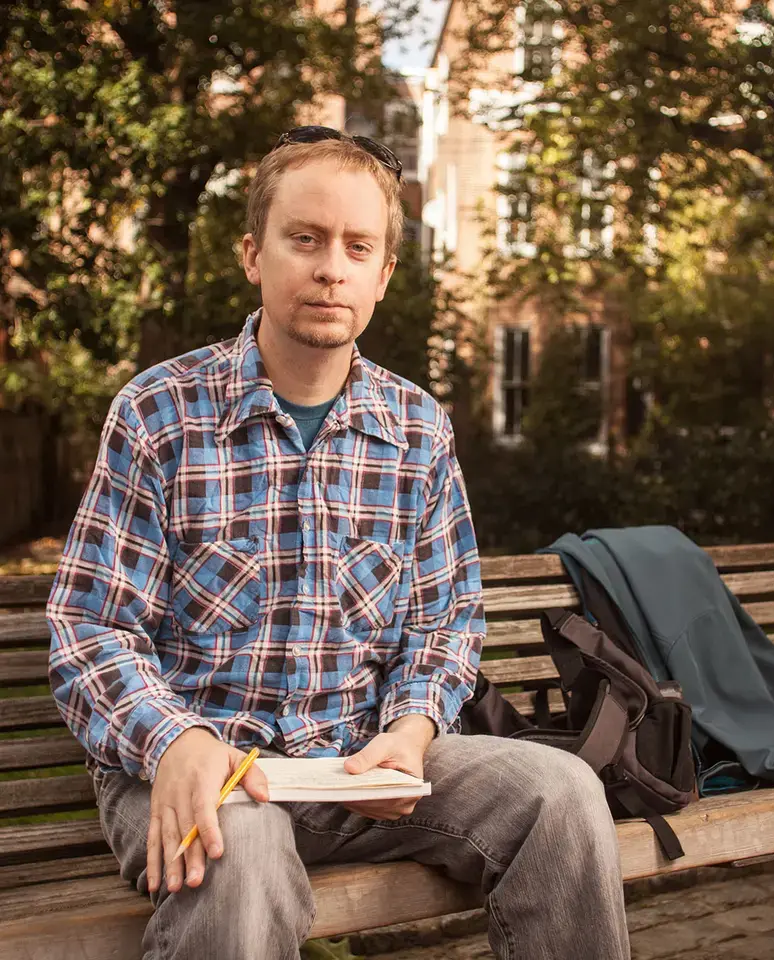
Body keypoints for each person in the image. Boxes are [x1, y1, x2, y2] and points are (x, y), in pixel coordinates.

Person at [47, 126, 630, 960]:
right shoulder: (160, 414)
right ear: (254, 254)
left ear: (384, 274)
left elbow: (445, 622)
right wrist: (175, 739)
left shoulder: (416, 429)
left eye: (358, 247)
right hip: (196, 773)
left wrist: (416, 728)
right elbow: (89, 627)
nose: (331, 268)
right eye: (306, 239)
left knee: (562, 793)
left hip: (359, 771)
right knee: (239, 849)